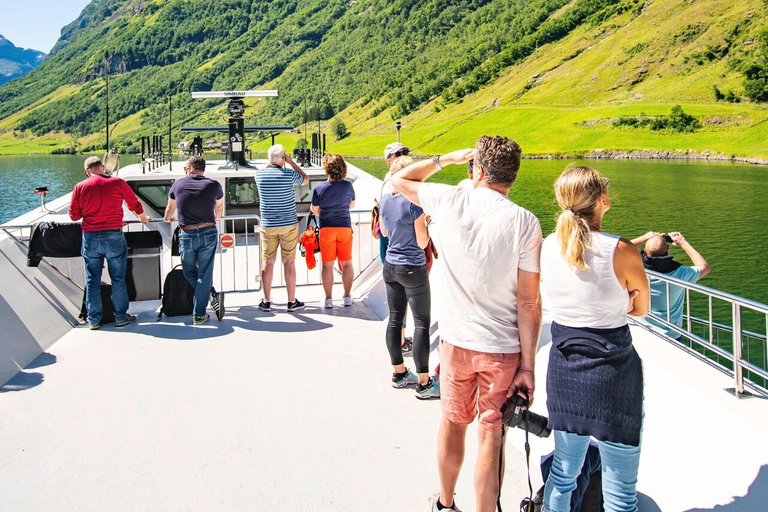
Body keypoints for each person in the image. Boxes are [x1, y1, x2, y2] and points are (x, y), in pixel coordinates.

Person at [392, 136, 542, 512]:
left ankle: (444, 503)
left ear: (476, 168)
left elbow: (399, 180)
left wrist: (444, 159)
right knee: (492, 437)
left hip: (457, 344)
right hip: (503, 351)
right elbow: (528, 302)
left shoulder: (450, 199)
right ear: (513, 177)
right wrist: (528, 366)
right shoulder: (526, 223)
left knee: (453, 424)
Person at [539, 166, 650, 512]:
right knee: (620, 496)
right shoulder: (622, 250)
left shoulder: (546, 246)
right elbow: (641, 308)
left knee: (562, 475)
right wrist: (623, 302)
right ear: (602, 199)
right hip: (614, 378)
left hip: (564, 371)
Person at [379, 156, 439, 400]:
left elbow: (384, 232)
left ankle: (399, 373)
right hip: (412, 267)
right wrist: (425, 220)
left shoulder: (384, 200)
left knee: (395, 320)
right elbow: (422, 242)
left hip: (390, 266)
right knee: (421, 323)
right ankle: (424, 383)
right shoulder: (416, 205)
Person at [69, 156, 149, 329]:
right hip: (113, 236)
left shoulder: (80, 187)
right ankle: (120, 317)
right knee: (118, 279)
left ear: (87, 171)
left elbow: (74, 215)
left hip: (90, 238)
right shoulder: (117, 182)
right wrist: (143, 218)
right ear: (103, 167)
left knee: (93, 281)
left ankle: (94, 320)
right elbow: (134, 203)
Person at [164, 155, 225, 325]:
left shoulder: (178, 184)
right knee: (204, 273)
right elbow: (219, 207)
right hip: (208, 231)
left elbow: (170, 208)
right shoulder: (214, 185)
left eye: (185, 169)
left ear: (191, 169)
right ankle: (209, 296)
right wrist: (217, 217)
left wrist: (167, 218)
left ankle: (200, 312)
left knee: (189, 271)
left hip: (187, 233)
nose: (185, 172)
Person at [254, 144, 309, 312]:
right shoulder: (288, 174)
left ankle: (266, 301)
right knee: (289, 262)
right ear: (283, 157)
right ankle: (291, 301)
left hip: (268, 225)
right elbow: (305, 179)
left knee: (268, 262)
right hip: (288, 225)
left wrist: (273, 161)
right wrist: (291, 162)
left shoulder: (259, 175)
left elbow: (267, 167)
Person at [631, 231, 710, 339]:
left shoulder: (634, 269)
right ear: (667, 251)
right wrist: (683, 243)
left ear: (645, 251)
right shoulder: (680, 273)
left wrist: (645, 238)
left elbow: (616, 251)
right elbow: (704, 267)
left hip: (641, 330)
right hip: (670, 334)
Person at [311, 153, 355, 309]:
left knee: (327, 265)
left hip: (327, 228)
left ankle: (328, 299)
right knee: (347, 263)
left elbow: (315, 210)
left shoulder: (319, 189)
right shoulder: (348, 186)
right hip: (344, 228)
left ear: (326, 169)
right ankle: (347, 296)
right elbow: (351, 205)